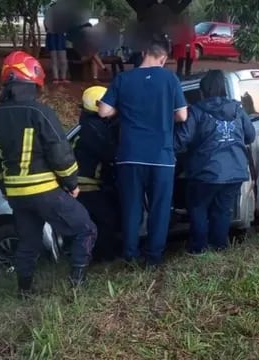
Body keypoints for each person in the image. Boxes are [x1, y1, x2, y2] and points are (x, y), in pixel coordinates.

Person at [0, 51, 97, 298]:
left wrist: (5, 186)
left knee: (28, 242)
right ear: (32, 82)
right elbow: (60, 152)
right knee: (85, 229)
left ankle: (24, 292)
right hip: (45, 191)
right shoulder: (40, 112)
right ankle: (77, 287)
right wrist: (71, 182)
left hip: (16, 194)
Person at [98, 38, 188, 267]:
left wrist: (122, 108)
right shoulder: (170, 78)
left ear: (144, 52)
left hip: (130, 156)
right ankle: (154, 257)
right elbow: (182, 116)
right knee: (159, 208)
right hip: (161, 157)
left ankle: (130, 255)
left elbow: (103, 111)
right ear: (164, 58)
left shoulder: (123, 78)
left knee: (131, 207)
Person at [174, 70, 256, 255]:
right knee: (223, 210)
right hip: (235, 170)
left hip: (206, 171)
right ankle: (219, 248)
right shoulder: (237, 110)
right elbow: (250, 136)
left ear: (202, 91)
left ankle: (198, 249)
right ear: (223, 90)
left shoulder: (196, 111)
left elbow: (182, 140)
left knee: (198, 208)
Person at [73, 86, 121, 262]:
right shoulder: (94, 129)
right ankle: (104, 259)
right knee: (106, 220)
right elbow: (110, 154)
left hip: (89, 183)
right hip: (87, 185)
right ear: (98, 105)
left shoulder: (89, 125)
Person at [44, 1, 69, 84]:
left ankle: (63, 78)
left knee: (63, 59)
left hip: (60, 37)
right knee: (54, 58)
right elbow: (47, 27)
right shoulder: (48, 17)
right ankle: (56, 78)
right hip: (52, 37)